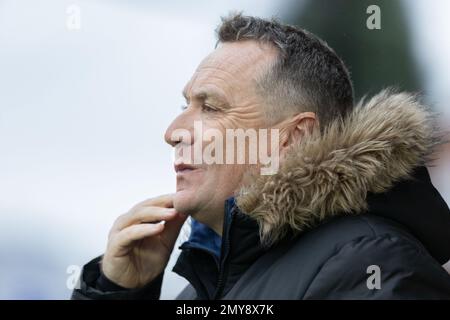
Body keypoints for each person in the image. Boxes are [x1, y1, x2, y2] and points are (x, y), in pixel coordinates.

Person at [72, 13, 450, 300]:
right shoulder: (203, 286)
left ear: (292, 137)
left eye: (211, 108)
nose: (173, 133)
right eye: (185, 104)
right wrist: (119, 290)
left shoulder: (372, 266)